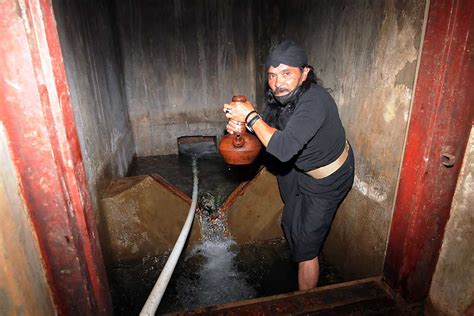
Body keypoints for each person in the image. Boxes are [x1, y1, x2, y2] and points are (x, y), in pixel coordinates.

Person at [223, 39, 355, 290]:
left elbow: (282, 149)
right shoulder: (279, 99)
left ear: (305, 73)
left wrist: (251, 117)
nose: (277, 83)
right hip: (297, 168)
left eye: (286, 74)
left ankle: (305, 303)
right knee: (290, 221)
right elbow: (269, 136)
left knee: (306, 246)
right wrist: (240, 132)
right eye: (272, 75)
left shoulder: (315, 101)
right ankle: (298, 254)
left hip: (327, 178)